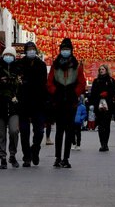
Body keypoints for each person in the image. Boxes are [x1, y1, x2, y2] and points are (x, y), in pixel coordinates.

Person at [46, 37, 86, 168]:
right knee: (59, 131)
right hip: (58, 103)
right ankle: (57, 158)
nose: (65, 51)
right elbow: (49, 82)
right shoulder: (55, 65)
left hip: (71, 103)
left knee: (69, 131)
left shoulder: (76, 66)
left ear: (71, 50)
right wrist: (55, 91)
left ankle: (66, 158)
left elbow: (82, 83)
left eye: (67, 49)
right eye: (63, 49)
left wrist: (75, 93)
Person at [0, 45, 22, 169]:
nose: (9, 57)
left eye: (11, 55)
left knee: (14, 131)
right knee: (0, 133)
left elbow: (21, 88)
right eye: (7, 55)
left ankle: (12, 155)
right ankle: (2, 156)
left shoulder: (18, 69)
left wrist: (19, 82)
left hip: (13, 106)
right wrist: (0, 82)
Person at [16, 41, 47, 167]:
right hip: (24, 102)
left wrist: (27, 82)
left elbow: (42, 83)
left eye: (33, 49)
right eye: (29, 49)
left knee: (39, 131)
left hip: (38, 103)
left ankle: (35, 150)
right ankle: (26, 156)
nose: (31, 51)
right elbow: (18, 81)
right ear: (25, 51)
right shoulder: (20, 64)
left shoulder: (41, 64)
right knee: (24, 131)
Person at [89, 64, 115, 151]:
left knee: (107, 126)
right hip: (99, 107)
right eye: (100, 69)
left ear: (106, 70)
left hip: (108, 107)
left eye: (103, 69)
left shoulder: (111, 80)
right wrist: (99, 95)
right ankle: (102, 143)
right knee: (101, 126)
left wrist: (108, 95)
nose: (101, 71)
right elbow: (93, 94)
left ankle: (106, 143)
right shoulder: (96, 81)